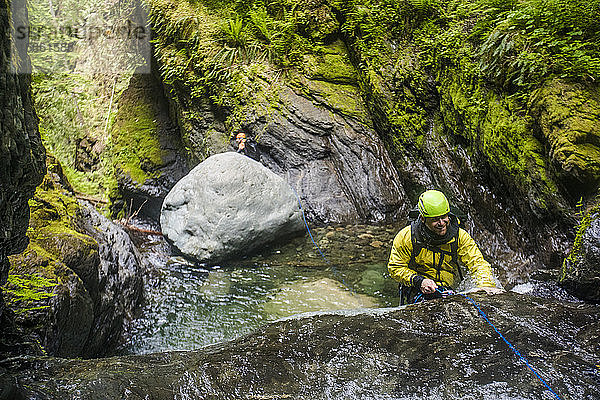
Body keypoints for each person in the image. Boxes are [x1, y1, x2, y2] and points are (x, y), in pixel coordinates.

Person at [388, 189, 504, 305]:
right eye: (435, 219)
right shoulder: (407, 237)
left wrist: (485, 285)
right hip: (416, 286)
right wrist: (419, 281)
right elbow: (395, 267)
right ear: (422, 219)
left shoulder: (459, 236)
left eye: (444, 217)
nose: (441, 223)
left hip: (446, 288)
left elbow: (478, 263)